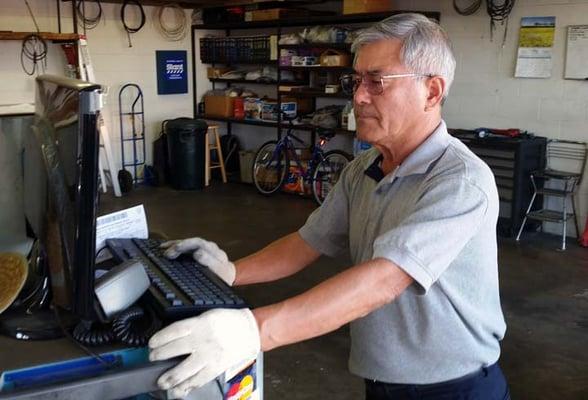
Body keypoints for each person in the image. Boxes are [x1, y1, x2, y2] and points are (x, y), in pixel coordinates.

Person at [149, 13, 510, 400]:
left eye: (377, 81)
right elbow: (308, 242)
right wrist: (231, 271)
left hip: (454, 389)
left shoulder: (459, 181)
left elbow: (384, 280)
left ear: (432, 92)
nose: (358, 96)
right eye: (357, 80)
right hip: (385, 381)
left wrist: (254, 330)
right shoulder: (363, 169)